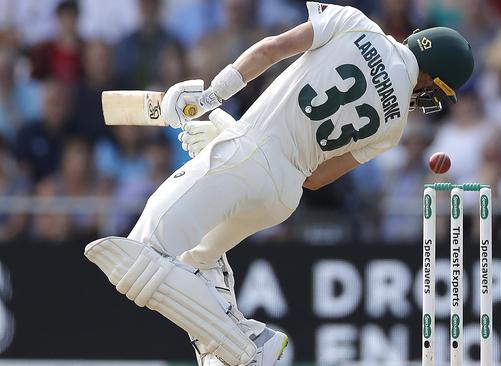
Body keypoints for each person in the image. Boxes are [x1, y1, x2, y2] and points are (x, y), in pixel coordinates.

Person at [84, 3, 474, 366]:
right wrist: (227, 131)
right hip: (281, 195)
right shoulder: (394, 128)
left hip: (246, 154)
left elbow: (271, 49)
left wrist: (210, 98)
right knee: (193, 264)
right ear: (430, 77)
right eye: (435, 90)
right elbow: (317, 178)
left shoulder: (355, 23)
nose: (426, 96)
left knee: (139, 253)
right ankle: (230, 341)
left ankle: (248, 346)